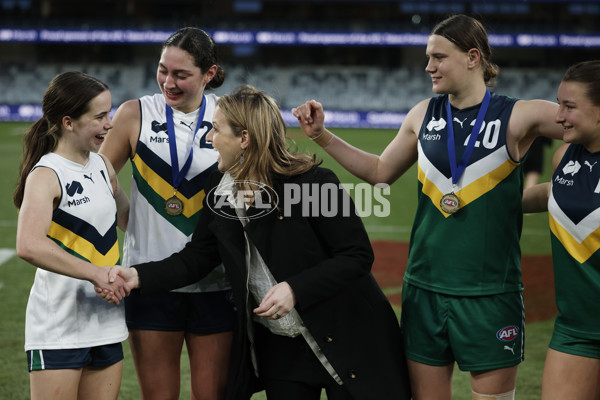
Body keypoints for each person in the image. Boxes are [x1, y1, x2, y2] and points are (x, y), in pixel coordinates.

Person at [292, 14, 564, 400]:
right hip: (424, 290)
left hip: (490, 294)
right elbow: (380, 172)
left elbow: (586, 122)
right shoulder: (423, 114)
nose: (428, 66)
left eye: (438, 57)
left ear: (473, 57)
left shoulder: (519, 115)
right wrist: (322, 136)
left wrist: (571, 182)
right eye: (427, 57)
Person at [99, 84, 412, 400]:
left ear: (244, 139)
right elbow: (200, 256)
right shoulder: (219, 186)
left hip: (347, 337)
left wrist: (294, 288)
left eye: (216, 130)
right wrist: (138, 276)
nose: (209, 138)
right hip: (281, 348)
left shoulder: (314, 183)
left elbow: (356, 255)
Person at [98, 27, 235, 400]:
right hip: (148, 279)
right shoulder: (134, 113)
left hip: (216, 282)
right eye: (163, 70)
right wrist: (129, 217)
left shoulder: (232, 115)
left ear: (209, 74)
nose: (168, 83)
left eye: (181, 75)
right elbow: (96, 181)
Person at [13, 71, 130, 400]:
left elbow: (128, 218)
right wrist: (97, 275)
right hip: (59, 328)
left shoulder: (104, 166)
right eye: (100, 117)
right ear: (68, 122)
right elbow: (29, 244)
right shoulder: (47, 174)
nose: (109, 125)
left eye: (110, 113)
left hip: (106, 322)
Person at [522, 60, 600, 400]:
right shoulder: (565, 154)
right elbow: (555, 192)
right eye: (559, 105)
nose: (558, 116)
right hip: (576, 329)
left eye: (569, 107)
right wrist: (488, 200)